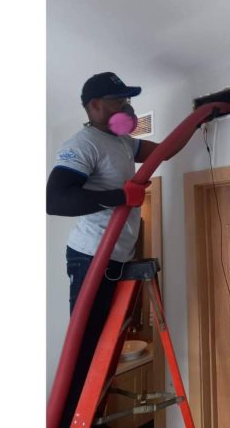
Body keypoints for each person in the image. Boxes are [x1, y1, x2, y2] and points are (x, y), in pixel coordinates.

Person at [46, 71, 158, 427]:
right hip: (90, 257)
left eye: (128, 101)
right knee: (84, 347)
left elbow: (162, 152)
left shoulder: (123, 142)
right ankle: (68, 420)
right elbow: (55, 199)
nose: (127, 108)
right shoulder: (83, 144)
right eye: (118, 101)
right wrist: (120, 196)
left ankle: (93, 414)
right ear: (94, 106)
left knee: (105, 344)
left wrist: (202, 117)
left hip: (116, 256)